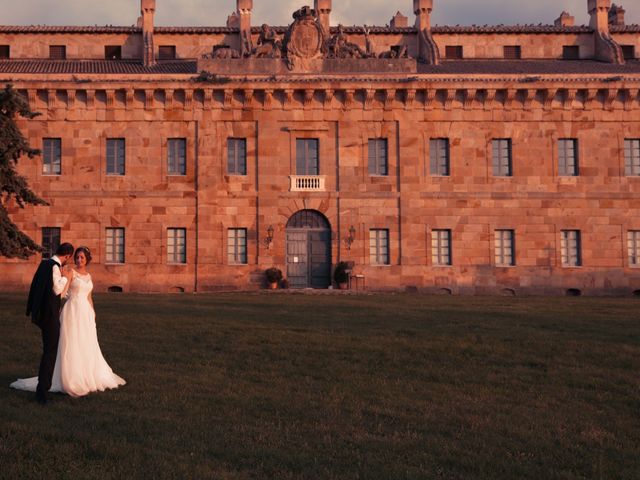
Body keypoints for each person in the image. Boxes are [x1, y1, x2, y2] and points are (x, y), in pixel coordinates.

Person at [11, 246, 126, 400]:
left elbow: (89, 296)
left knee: (86, 343)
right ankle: (71, 377)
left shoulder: (89, 276)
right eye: (77, 257)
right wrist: (59, 304)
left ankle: (87, 373)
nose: (79, 260)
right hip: (72, 310)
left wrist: (93, 312)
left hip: (85, 312)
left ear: (87, 260)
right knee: (71, 343)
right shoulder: (71, 272)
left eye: (82, 258)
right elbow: (62, 292)